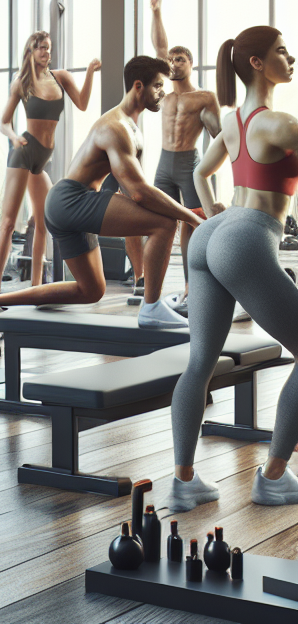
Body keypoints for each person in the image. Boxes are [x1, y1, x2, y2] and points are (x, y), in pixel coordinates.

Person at [168, 27, 298, 511]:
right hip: (248, 236)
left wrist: (214, 214)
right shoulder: (279, 124)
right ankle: (273, 477)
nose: (292, 56)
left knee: (200, 361)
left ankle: (183, 483)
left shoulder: (233, 121)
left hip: (210, 236)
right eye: (282, 51)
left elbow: (202, 173)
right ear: (259, 64)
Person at [0, 56, 200, 330]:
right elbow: (139, 193)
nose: (163, 93)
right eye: (158, 86)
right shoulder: (116, 127)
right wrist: (191, 217)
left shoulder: (131, 126)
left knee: (91, 290)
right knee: (165, 223)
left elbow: (134, 190)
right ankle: (151, 308)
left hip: (67, 204)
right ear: (138, 86)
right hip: (72, 200)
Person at [0, 30, 100, 291]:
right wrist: (13, 136)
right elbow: (3, 120)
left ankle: (35, 286)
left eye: (48, 48)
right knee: (8, 222)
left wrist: (89, 72)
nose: (46, 52)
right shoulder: (21, 83)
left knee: (43, 221)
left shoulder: (60, 78)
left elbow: (83, 103)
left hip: (42, 160)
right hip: (24, 154)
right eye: (41, 47)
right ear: (30, 51)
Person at [150, 0, 225, 316]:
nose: (174, 62)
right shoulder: (164, 96)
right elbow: (160, 45)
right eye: (172, 59)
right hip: (163, 164)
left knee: (194, 226)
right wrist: (155, 11)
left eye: (180, 59)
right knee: (159, 223)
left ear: (191, 64)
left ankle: (192, 288)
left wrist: (211, 174)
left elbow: (219, 134)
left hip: (189, 163)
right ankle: (155, 292)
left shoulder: (204, 97)